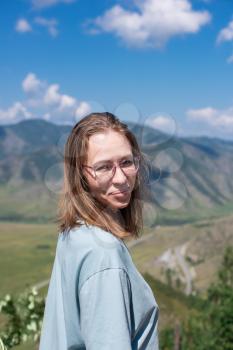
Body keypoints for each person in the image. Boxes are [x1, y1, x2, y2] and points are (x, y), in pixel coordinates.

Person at [39, 112, 160, 350]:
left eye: (126, 162)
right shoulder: (104, 254)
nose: (121, 178)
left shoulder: (75, 234)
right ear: (81, 175)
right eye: (104, 167)